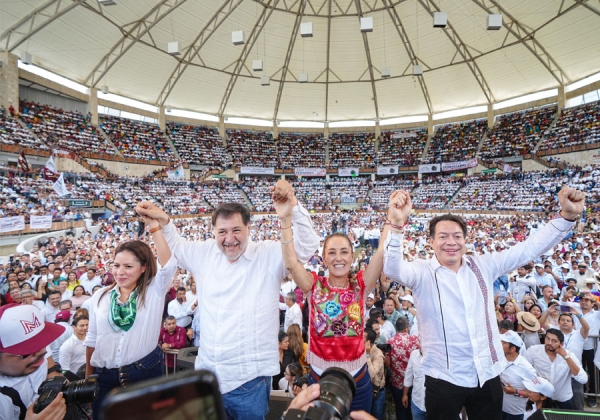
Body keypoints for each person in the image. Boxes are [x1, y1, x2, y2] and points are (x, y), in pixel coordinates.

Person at [382, 187, 586, 420]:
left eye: (457, 236)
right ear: (431, 241)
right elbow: (392, 268)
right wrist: (397, 226)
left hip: (487, 374)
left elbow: (527, 249)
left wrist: (566, 217)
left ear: (465, 240)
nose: (451, 242)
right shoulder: (421, 272)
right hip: (443, 378)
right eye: (443, 236)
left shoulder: (483, 265)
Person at [135, 180, 319, 420]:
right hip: (209, 377)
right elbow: (177, 246)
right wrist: (165, 220)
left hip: (249, 381)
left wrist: (292, 207)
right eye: (222, 232)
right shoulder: (205, 252)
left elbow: (306, 247)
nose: (229, 238)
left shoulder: (269, 254)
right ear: (214, 232)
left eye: (236, 230)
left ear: (248, 229)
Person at [277, 192, 400, 413]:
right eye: (332, 253)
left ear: (352, 257)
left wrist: (392, 219)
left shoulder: (360, 285)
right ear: (324, 258)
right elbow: (291, 263)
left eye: (344, 252)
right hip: (319, 378)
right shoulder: (313, 285)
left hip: (358, 380)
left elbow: (381, 252)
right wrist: (285, 220)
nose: (338, 258)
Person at [85, 226, 176, 419]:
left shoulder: (154, 291)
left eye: (128, 266)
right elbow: (92, 339)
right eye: (116, 265)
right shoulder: (100, 296)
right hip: (105, 378)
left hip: (144, 373)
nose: (120, 272)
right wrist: (88, 380)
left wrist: (155, 228)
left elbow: (168, 265)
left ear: (143, 268)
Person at [0, 303, 67, 420]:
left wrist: (53, 373)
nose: (41, 351)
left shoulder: (37, 355)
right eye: (26, 350)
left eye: (42, 341)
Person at [524, 328, 588, 409]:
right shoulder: (533, 350)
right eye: (548, 338)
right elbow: (524, 370)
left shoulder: (569, 355)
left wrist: (566, 357)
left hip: (562, 399)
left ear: (561, 344)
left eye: (554, 341)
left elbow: (583, 379)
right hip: (542, 398)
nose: (549, 343)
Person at [499, 330, 537, 420]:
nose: (499, 344)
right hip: (498, 408)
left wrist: (515, 392)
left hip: (514, 414)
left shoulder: (527, 368)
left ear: (512, 349)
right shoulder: (499, 359)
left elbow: (535, 393)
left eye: (503, 343)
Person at [388, 317, 420, 420]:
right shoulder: (415, 340)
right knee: (413, 408)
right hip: (413, 381)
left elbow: (388, 363)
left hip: (397, 382)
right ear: (407, 328)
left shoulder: (390, 342)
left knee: (400, 409)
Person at [364, 328, 386, 420]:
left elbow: (371, 373)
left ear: (368, 342)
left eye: (362, 338)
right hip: (366, 390)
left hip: (377, 392)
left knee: (376, 416)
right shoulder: (360, 350)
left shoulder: (378, 354)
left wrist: (367, 355)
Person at [404, 347, 426, 420]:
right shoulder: (414, 354)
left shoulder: (438, 357)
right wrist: (405, 394)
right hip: (417, 402)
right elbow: (408, 375)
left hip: (433, 405)